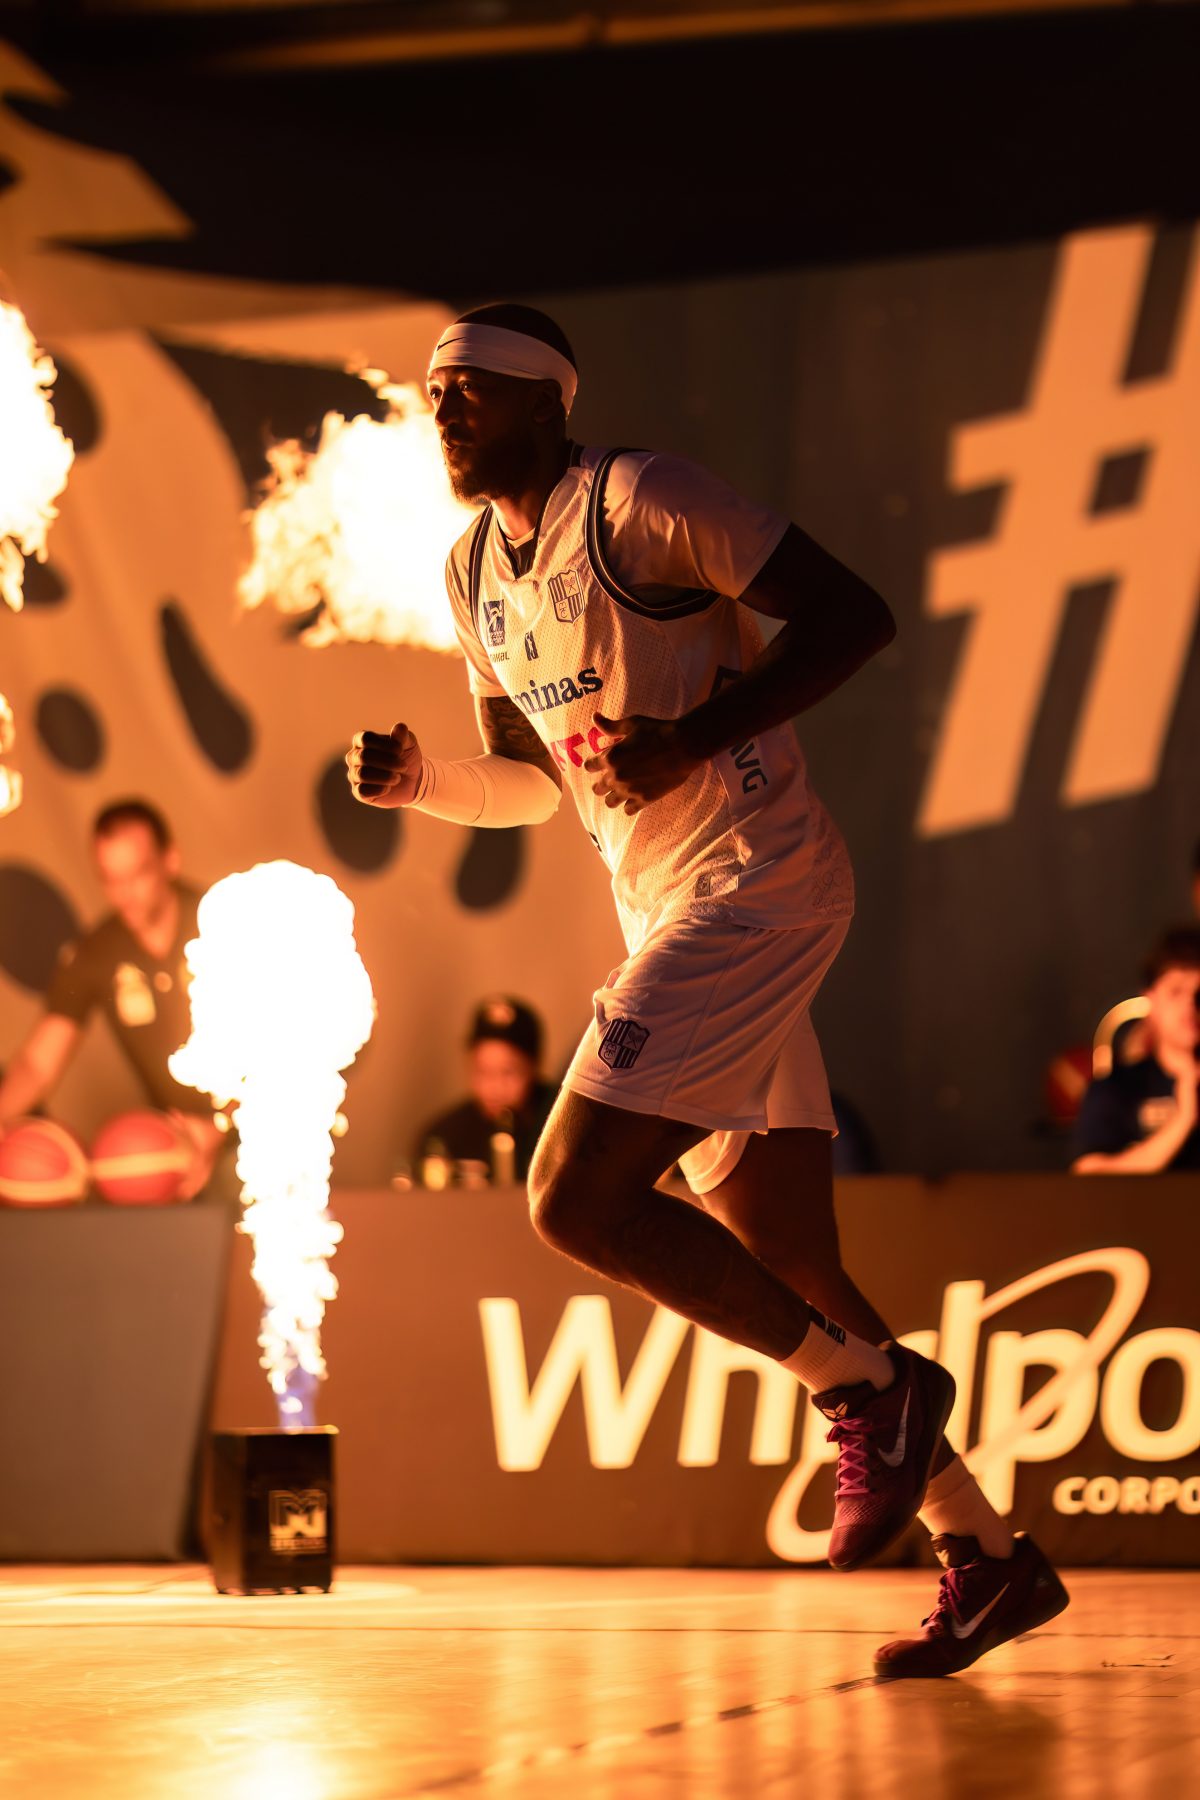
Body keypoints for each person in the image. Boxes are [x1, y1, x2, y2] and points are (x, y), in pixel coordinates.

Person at [347, 303, 1067, 1676]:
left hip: (756, 882)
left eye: (474, 388)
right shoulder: (469, 572)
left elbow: (856, 614)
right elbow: (532, 783)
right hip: (669, 904)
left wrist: (700, 735)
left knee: (573, 1198)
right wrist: (426, 781)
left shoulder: (640, 501)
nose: (444, 410)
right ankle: (986, 1554)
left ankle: (867, 1392)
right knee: (785, 1246)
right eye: (434, 391)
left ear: (549, 403)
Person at [0, 799, 225, 1197]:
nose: (125, 894)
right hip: (173, 1146)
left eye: (138, 874)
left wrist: (222, 1124)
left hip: (265, 1127)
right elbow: (38, 1064)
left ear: (170, 860)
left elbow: (284, 1042)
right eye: (110, 879)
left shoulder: (224, 924)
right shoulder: (98, 952)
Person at [1073, 925, 1200, 1174]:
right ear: (1151, 998)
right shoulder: (1116, 1089)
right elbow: (1090, 1174)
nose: (1189, 1004)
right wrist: (1184, 1118)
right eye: (1176, 992)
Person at [412, 996, 558, 1184]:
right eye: (483, 1072)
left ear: (534, 1066)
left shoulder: (562, 1122)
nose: (495, 1087)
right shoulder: (446, 1137)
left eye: (508, 1072)